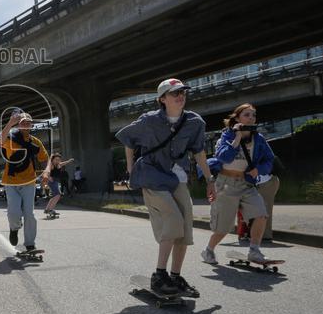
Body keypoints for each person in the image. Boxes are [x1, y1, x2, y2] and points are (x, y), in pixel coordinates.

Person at [115, 78, 214, 297]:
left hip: (177, 178)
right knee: (173, 220)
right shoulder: (149, 121)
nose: (180, 96)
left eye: (182, 92)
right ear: (162, 99)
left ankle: (175, 277)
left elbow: (199, 151)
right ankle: (159, 276)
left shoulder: (194, 122)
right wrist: (131, 170)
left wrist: (209, 179)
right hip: (152, 176)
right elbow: (128, 139)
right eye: (174, 93)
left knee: (185, 227)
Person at [202, 103, 275, 265]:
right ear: (237, 118)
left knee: (261, 214)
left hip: (246, 183)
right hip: (225, 184)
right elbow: (223, 158)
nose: (251, 118)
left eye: (253, 115)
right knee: (224, 227)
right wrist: (238, 137)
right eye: (247, 115)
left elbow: (269, 160)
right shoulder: (226, 136)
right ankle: (208, 250)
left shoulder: (259, 139)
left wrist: (259, 169)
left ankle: (254, 250)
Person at [0, 111, 52, 252]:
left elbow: (46, 159)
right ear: (19, 124)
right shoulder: (11, 138)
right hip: (11, 182)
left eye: (28, 123)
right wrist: (10, 123)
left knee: (29, 214)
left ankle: (30, 243)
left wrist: (46, 171)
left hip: (29, 181)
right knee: (14, 212)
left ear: (31, 126)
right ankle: (14, 228)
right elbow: (1, 140)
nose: (25, 125)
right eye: (22, 122)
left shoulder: (35, 142)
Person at [43, 153, 75, 219]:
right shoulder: (51, 165)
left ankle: (47, 209)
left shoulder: (59, 164)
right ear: (53, 160)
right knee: (58, 195)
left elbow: (64, 163)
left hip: (56, 181)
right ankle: (51, 209)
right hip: (52, 181)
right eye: (56, 159)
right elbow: (46, 171)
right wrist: (49, 177)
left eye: (59, 159)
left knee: (54, 196)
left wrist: (69, 161)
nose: (57, 161)